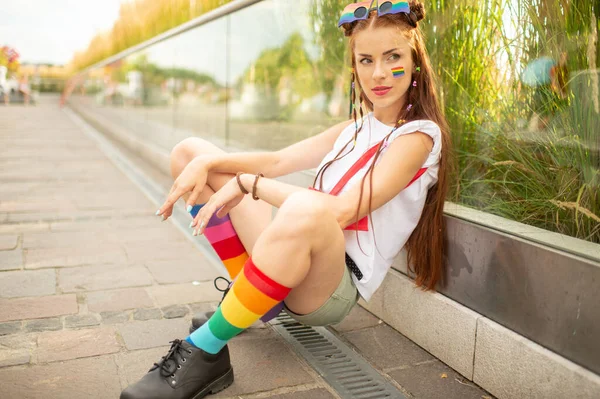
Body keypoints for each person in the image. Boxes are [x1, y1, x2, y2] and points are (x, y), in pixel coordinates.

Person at [120, 1, 451, 398]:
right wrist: (209, 162)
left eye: (392, 57)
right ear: (355, 66)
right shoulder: (355, 128)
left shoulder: (418, 136)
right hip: (297, 249)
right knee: (190, 153)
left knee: (308, 208)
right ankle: (251, 299)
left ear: (415, 62)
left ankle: (204, 350)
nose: (378, 73)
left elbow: (341, 211)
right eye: (366, 60)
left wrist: (248, 184)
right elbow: (278, 160)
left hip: (330, 286)